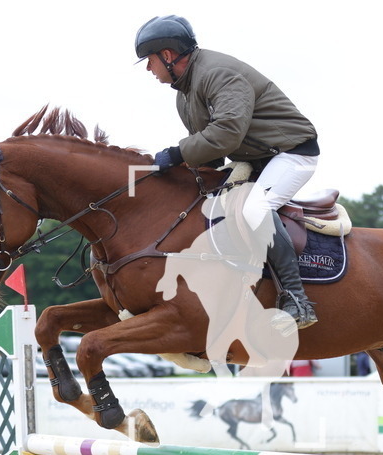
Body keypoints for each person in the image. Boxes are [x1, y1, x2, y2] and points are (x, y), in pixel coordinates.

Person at [135, 15, 319, 332]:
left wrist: (177, 153)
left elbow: (226, 134)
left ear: (167, 55)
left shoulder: (218, 73)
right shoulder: (185, 92)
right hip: (258, 159)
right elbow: (212, 153)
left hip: (292, 154)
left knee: (255, 209)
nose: (149, 70)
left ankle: (298, 300)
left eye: (149, 61)